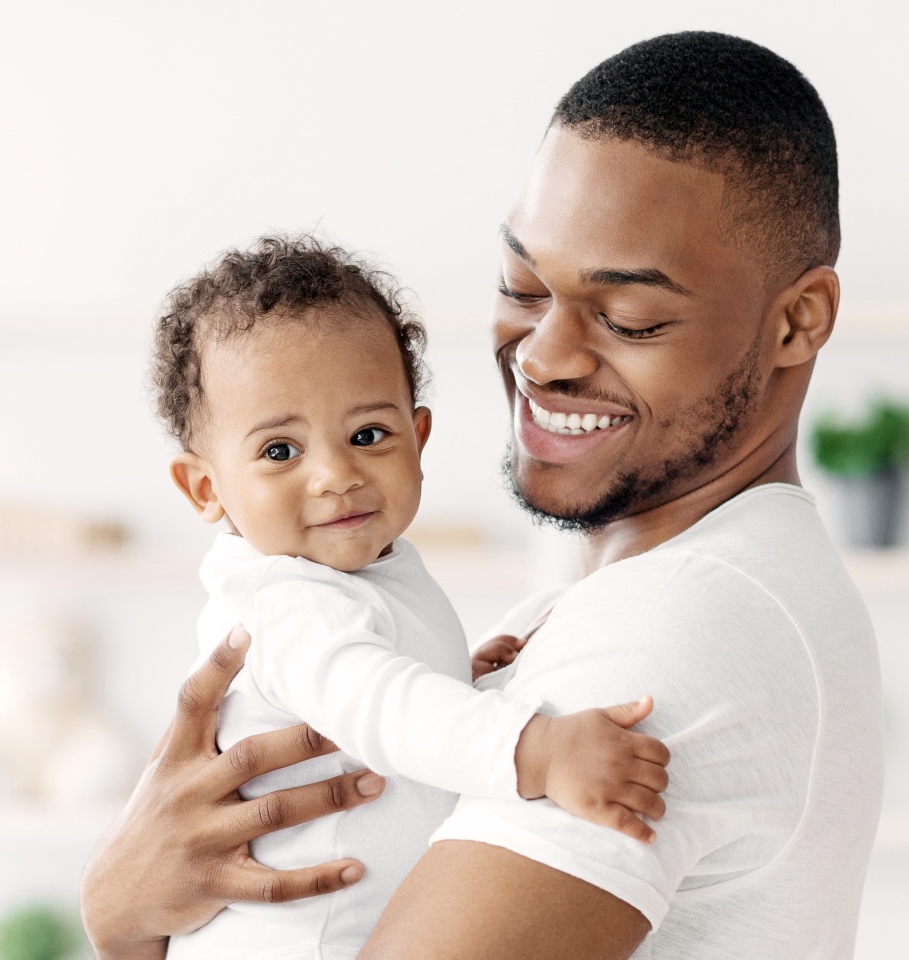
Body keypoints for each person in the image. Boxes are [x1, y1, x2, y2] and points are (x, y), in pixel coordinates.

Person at [80, 30, 885, 960]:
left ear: (799, 321)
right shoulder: (656, 596)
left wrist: (119, 916)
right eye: (523, 285)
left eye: (627, 316)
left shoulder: (672, 633)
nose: (542, 354)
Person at [149, 235, 670, 960]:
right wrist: (538, 749)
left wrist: (452, 673)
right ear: (206, 488)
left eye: (368, 434)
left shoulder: (363, 571)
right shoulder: (281, 600)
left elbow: (385, 687)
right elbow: (382, 705)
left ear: (417, 438)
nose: (336, 474)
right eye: (279, 451)